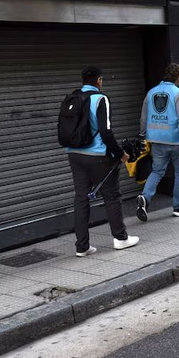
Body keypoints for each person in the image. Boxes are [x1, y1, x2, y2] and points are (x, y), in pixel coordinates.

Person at [66, 67, 139, 257]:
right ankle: (120, 238)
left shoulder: (73, 98)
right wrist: (121, 154)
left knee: (81, 198)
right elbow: (105, 132)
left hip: (74, 154)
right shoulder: (100, 99)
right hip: (98, 156)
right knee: (112, 196)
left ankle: (82, 247)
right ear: (99, 80)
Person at [136, 63, 179, 221]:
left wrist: (142, 136)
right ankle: (178, 206)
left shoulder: (151, 92)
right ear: (178, 78)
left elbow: (143, 117)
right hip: (175, 141)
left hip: (156, 140)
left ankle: (145, 197)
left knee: (157, 171)